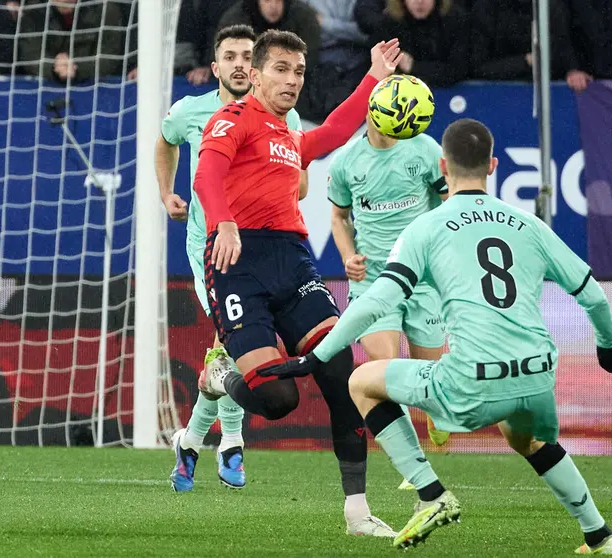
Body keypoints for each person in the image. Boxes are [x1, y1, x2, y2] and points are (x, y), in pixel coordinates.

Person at [257, 119, 612, 554]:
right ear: (492, 165)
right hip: (537, 378)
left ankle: (431, 494)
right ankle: (601, 536)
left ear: (442, 165)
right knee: (529, 439)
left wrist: (318, 355)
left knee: (361, 382)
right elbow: (593, 296)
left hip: (472, 381)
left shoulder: (426, 227)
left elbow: (378, 301)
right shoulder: (528, 224)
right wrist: (607, 344)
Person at [192, 29, 404, 536]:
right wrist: (222, 221)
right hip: (238, 262)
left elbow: (332, 131)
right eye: (281, 70)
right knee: (278, 400)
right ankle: (222, 379)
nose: (291, 80)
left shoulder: (289, 137)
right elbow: (206, 176)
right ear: (256, 73)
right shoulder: (233, 118)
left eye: (299, 72)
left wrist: (374, 77)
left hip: (292, 261)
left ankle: (357, 513)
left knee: (341, 377)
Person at [158, 24, 306, 493]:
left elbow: (299, 180)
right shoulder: (191, 111)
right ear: (215, 66)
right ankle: (233, 443)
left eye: (248, 55)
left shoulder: (287, 116)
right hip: (212, 250)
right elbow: (165, 140)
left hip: (262, 249)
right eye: (231, 56)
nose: (240, 63)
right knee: (234, 350)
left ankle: (190, 441)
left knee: (227, 356)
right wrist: (167, 192)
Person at [328, 110, 452, 485]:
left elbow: (450, 200)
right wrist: (349, 256)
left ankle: (435, 409)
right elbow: (338, 216)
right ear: (370, 110)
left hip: (424, 278)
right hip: (375, 282)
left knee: (428, 372)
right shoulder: (346, 161)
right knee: (384, 369)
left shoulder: (425, 149)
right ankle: (415, 464)